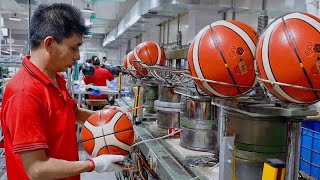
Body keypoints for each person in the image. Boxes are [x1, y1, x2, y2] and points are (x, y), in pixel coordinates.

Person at [1, 3, 125, 180]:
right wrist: (92, 164)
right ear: (50, 44)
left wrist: (107, 117)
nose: (78, 57)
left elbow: (72, 112)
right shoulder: (25, 93)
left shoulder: (55, 78)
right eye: (74, 48)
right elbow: (36, 169)